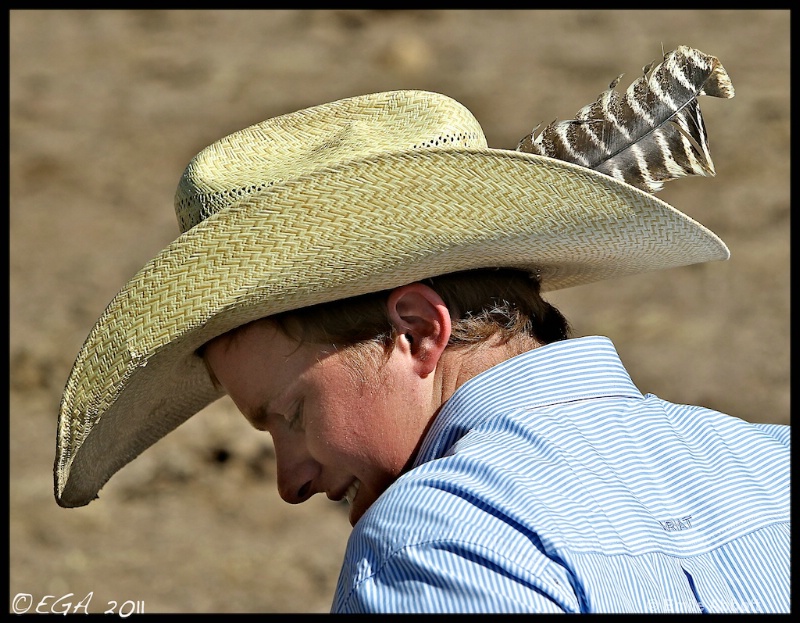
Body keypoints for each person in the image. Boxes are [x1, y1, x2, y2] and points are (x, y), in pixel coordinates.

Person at [55, 47, 789, 613]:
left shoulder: (435, 538)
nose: (289, 480)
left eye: (290, 414)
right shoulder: (768, 460)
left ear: (415, 333)